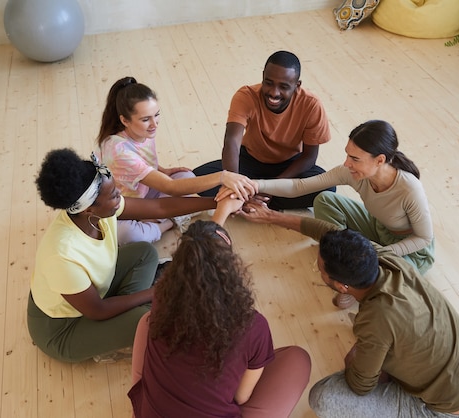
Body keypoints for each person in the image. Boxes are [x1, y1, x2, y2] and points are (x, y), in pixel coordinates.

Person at [240, 203, 459, 417]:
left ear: (341, 286)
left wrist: (355, 356)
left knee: (324, 397)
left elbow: (360, 385)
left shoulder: (377, 319)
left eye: (320, 269)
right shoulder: (386, 260)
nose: (319, 268)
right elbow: (330, 233)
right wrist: (272, 216)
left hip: (446, 410)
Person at [27, 148, 234, 363]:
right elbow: (97, 310)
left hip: (95, 294)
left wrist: (216, 202)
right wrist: (157, 291)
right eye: (114, 195)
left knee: (144, 253)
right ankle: (130, 320)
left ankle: (130, 316)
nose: (120, 197)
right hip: (63, 328)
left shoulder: (94, 211)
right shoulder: (63, 257)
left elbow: (160, 207)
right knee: (148, 321)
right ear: (89, 210)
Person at [128, 217, 312, 418]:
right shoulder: (253, 326)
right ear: (231, 268)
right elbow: (241, 397)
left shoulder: (162, 301)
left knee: (146, 321)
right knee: (298, 358)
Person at [252, 119, 435, 308]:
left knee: (388, 286)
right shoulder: (352, 172)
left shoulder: (409, 188)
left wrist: (377, 254)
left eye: (355, 159)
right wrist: (256, 184)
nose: (347, 163)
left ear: (380, 160)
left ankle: (354, 280)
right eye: (348, 155)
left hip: (410, 249)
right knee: (324, 200)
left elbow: (423, 238)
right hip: (379, 226)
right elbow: (300, 186)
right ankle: (349, 260)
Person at [97, 76, 258, 245]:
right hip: (123, 207)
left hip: (143, 192)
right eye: (145, 119)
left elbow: (139, 162)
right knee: (132, 236)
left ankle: (157, 219)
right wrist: (223, 177)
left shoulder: (142, 132)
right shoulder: (118, 150)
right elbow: (170, 187)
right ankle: (166, 224)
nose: (154, 124)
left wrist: (161, 170)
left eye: (156, 115)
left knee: (187, 175)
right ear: (124, 120)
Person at [193, 50, 335, 210]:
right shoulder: (246, 96)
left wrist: (272, 187)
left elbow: (309, 157)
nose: (274, 92)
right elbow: (231, 141)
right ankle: (249, 198)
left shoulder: (311, 105)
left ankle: (247, 200)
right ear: (263, 76)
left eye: (283, 86)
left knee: (327, 189)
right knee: (195, 179)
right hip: (250, 160)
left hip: (289, 166)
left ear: (297, 85)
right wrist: (235, 185)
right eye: (268, 83)